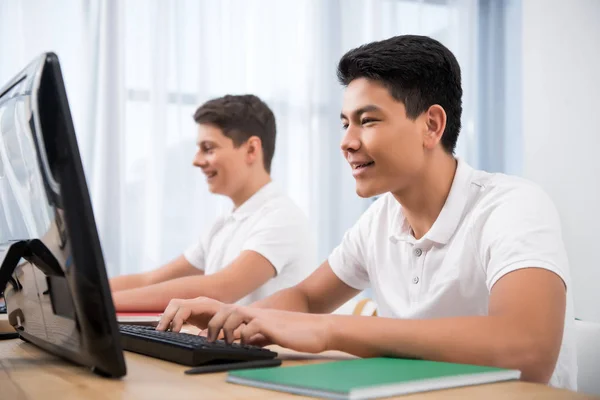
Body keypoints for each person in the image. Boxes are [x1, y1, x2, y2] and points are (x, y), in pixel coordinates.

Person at [155, 36, 576, 389]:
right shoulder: (381, 219)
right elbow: (307, 297)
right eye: (344, 124)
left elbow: (530, 347)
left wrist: (330, 330)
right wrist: (242, 317)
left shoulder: (513, 205)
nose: (347, 141)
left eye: (368, 121)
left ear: (431, 125)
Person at [110, 94, 316, 312]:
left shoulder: (281, 218)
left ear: (251, 149)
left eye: (208, 149)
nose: (196, 160)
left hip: (266, 347)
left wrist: (99, 304)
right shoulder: (224, 224)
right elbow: (151, 280)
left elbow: (221, 289)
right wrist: (83, 295)